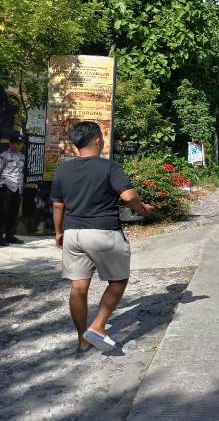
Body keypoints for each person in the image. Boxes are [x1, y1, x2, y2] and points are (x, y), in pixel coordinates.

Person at [50, 121, 154, 354]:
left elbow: (58, 205)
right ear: (98, 140)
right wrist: (143, 209)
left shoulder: (63, 170)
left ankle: (82, 339)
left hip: (73, 233)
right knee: (118, 280)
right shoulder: (108, 167)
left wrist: (58, 232)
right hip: (102, 232)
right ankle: (97, 326)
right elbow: (127, 196)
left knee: (78, 287)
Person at [0, 132, 26, 246]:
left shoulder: (22, 157)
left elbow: (21, 173)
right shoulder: (4, 156)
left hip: (17, 189)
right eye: (15, 143)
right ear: (10, 143)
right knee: (2, 213)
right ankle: (0, 237)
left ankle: (10, 235)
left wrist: (21, 189)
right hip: (6, 187)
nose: (18, 145)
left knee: (13, 213)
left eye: (19, 143)